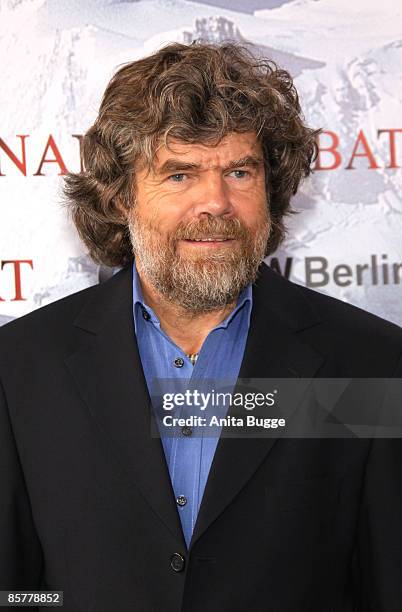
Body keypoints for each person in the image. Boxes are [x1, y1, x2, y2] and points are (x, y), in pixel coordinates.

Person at [0, 42, 401, 612]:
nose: (216, 202)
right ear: (121, 196)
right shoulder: (21, 368)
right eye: (180, 174)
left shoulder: (369, 363)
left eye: (240, 171)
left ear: (272, 190)